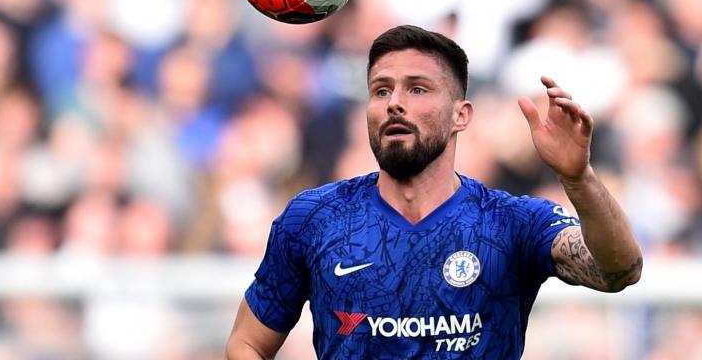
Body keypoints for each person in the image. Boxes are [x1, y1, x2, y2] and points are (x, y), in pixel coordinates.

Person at [225, 25, 643, 359]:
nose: (394, 103)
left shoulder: (511, 222)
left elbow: (621, 270)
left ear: (461, 115)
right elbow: (247, 343)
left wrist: (578, 178)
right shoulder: (314, 218)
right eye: (381, 90)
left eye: (418, 89)